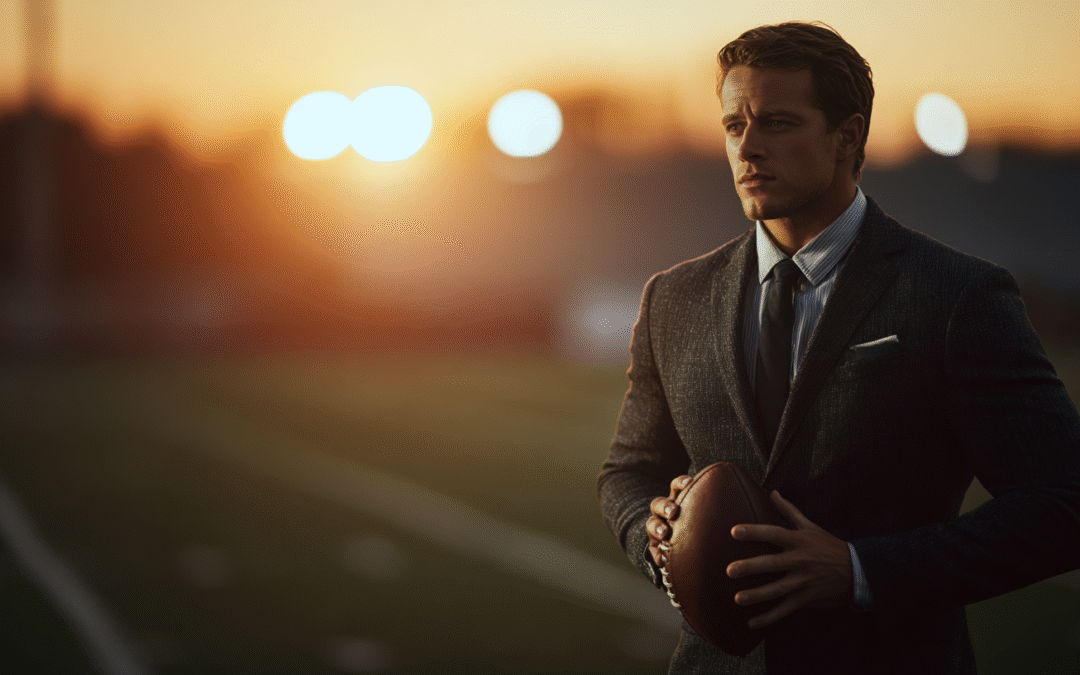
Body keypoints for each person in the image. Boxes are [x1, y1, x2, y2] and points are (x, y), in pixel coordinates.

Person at [597, 21, 1080, 674]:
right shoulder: (673, 297)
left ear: (848, 137)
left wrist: (860, 569)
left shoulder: (955, 295)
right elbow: (628, 471)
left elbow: (1064, 501)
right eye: (735, 124)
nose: (748, 147)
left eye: (777, 123)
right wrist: (653, 534)